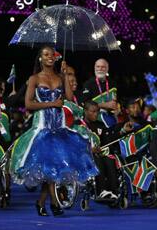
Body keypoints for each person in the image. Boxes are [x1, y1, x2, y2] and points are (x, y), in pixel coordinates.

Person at [10, 45, 97, 217]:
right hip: (42, 127)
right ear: (40, 58)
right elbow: (28, 104)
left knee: (54, 169)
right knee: (50, 168)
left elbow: (71, 98)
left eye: (52, 55)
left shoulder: (60, 76)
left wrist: (66, 76)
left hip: (60, 127)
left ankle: (41, 202)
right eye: (46, 54)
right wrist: (51, 104)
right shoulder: (34, 78)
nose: (50, 57)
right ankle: (54, 203)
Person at [83, 101, 119, 200]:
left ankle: (113, 191)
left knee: (109, 159)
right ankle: (101, 190)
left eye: (97, 112)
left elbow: (106, 141)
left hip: (99, 153)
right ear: (85, 111)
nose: (96, 114)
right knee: (97, 159)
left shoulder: (100, 125)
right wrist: (90, 149)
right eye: (93, 111)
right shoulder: (79, 125)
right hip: (83, 155)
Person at [80, 59, 118, 127]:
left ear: (107, 69)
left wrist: (117, 106)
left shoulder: (112, 83)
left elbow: (116, 99)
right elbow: (84, 103)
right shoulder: (88, 84)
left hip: (110, 116)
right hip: (94, 120)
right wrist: (103, 105)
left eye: (103, 67)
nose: (100, 69)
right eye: (98, 66)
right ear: (94, 68)